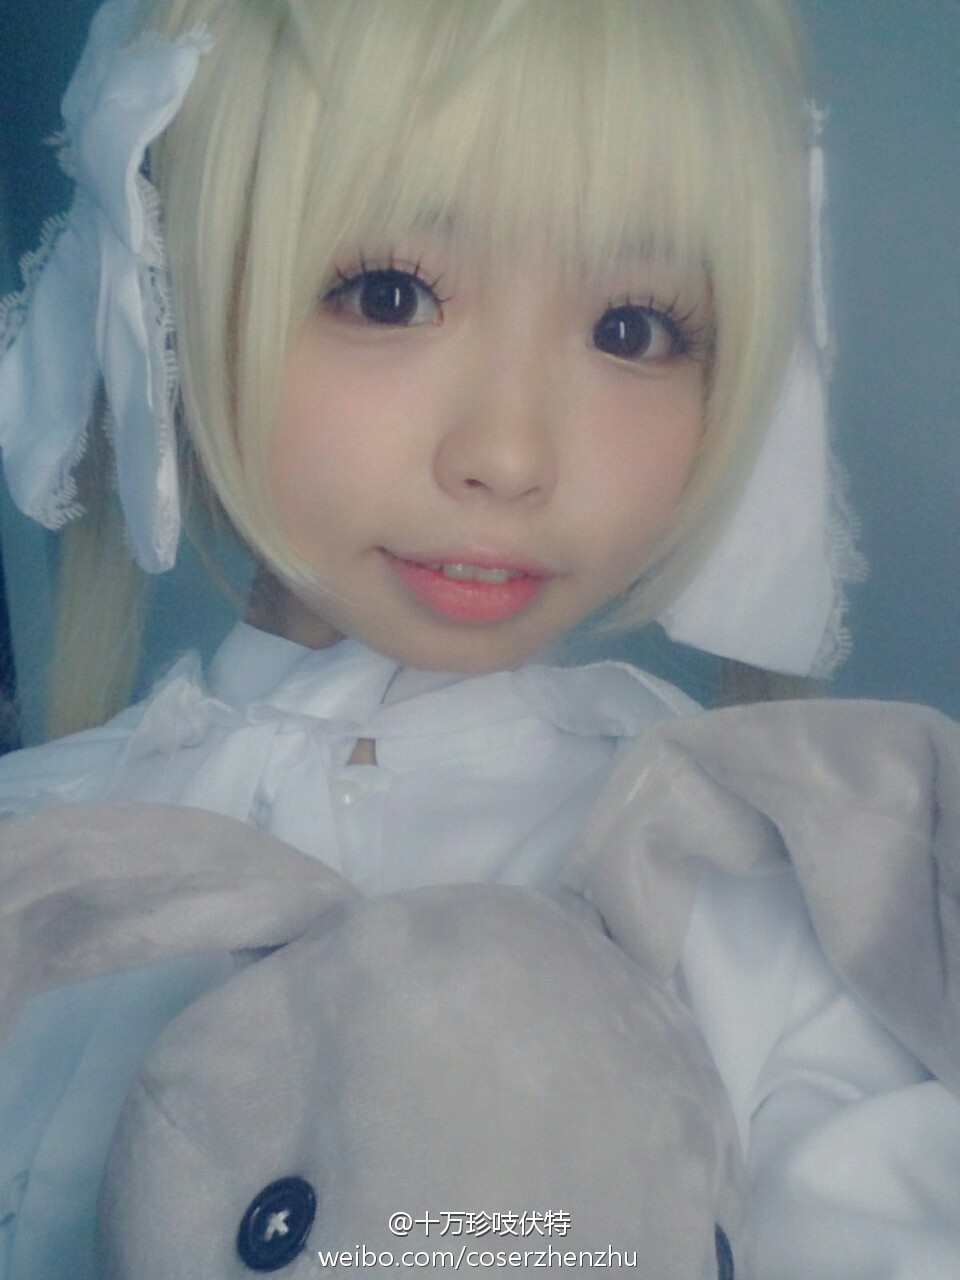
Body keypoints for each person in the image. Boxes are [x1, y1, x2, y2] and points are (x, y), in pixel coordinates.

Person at [0, 0, 957, 1276]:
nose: (509, 453)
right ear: (170, 286)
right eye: (387, 294)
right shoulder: (42, 840)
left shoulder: (755, 874)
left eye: (633, 328)